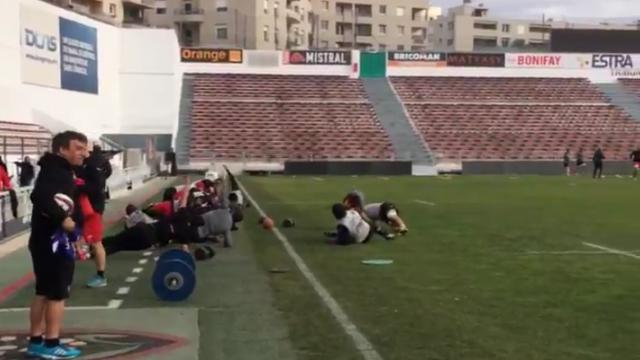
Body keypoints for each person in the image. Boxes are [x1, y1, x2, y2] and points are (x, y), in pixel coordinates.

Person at [27, 131, 87, 360]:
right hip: (53, 242)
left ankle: (36, 342)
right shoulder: (57, 171)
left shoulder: (56, 170)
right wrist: (64, 221)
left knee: (43, 291)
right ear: (62, 149)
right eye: (78, 148)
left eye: (85, 148)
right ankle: (51, 344)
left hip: (44, 240)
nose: (84, 153)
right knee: (57, 293)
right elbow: (40, 197)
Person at [79, 145, 111, 288]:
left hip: (92, 210)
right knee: (88, 239)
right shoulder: (90, 165)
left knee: (96, 242)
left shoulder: (91, 165)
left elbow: (96, 187)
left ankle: (101, 275)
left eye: (81, 149)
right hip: (89, 208)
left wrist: (77, 186)